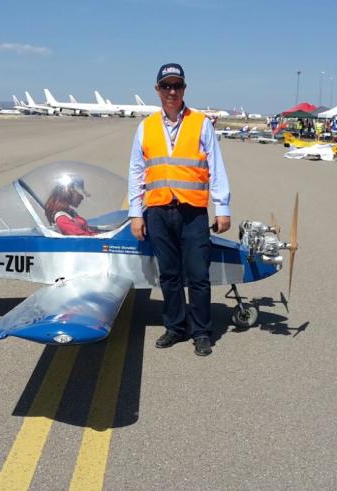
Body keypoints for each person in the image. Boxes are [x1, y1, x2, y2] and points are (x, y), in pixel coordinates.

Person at [128, 63, 231, 357]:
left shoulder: (201, 123)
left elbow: (216, 168)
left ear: (185, 89)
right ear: (157, 90)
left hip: (192, 213)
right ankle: (175, 327)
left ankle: (201, 332)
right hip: (158, 212)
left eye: (177, 86)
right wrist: (136, 214)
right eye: (166, 86)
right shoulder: (145, 127)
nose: (172, 91)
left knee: (198, 275)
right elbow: (136, 171)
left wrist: (222, 208)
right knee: (169, 275)